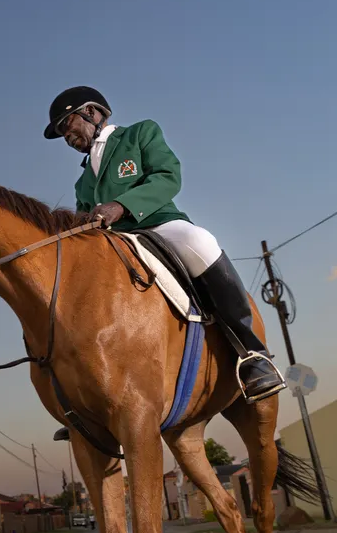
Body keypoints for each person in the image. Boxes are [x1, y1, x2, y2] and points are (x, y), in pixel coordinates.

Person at [43, 86, 286, 402]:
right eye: (61, 132)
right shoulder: (83, 181)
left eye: (67, 124)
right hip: (115, 242)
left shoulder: (140, 134)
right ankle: (84, 400)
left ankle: (252, 353)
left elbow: (167, 175)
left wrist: (120, 205)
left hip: (158, 225)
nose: (66, 136)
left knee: (200, 241)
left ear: (90, 112)